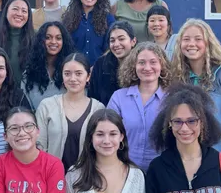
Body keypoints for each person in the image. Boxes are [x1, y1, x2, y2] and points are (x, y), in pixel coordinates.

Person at [171, 18, 221, 189]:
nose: (191, 43)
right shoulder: (178, 78)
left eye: (197, 39)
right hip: (185, 167)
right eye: (186, 39)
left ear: (208, 42)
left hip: (219, 166)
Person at [58, 109, 146, 193]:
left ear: (121, 137)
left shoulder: (136, 177)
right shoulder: (74, 175)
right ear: (91, 137)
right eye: (100, 134)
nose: (106, 141)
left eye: (113, 134)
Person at [107, 42, 171, 171]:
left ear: (162, 65)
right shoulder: (119, 98)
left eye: (153, 62)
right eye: (141, 62)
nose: (147, 68)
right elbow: (109, 134)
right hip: (125, 170)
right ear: (134, 66)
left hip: (162, 172)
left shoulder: (172, 98)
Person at [36, 53, 105, 172]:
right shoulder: (46, 106)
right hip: (51, 178)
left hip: (86, 180)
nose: (73, 79)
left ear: (88, 76)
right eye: (67, 74)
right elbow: (39, 147)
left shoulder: (98, 109)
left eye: (78, 73)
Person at [62, 0, 115, 65]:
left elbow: (111, 46)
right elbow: (65, 47)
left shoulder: (108, 19)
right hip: (74, 70)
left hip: (100, 70)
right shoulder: (68, 19)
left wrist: (97, 66)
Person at [23, 21, 76, 110]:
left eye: (58, 38)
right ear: (41, 41)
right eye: (48, 37)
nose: (53, 42)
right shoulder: (30, 72)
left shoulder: (71, 71)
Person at [89, 21, 137, 106]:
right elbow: (93, 97)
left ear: (133, 41)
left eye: (121, 39)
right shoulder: (101, 65)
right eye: (112, 40)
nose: (116, 44)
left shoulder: (141, 64)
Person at [0, 0, 35, 87]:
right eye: (15, 9)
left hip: (28, 97)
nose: (19, 14)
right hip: (1, 95)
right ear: (6, 11)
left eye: (24, 11)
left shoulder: (36, 40)